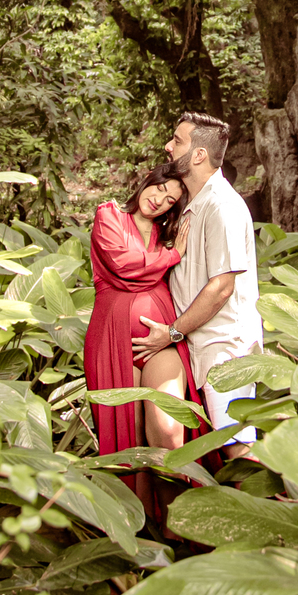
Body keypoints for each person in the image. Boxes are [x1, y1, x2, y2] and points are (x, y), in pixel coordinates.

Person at [83, 163, 209, 516]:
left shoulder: (164, 234)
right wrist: (171, 256)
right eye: (159, 189)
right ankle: (141, 529)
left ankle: (178, 524)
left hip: (160, 340)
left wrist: (169, 252)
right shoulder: (109, 216)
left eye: (170, 200)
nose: (159, 200)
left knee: (168, 432)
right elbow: (124, 266)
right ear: (146, 182)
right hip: (112, 341)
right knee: (130, 443)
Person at [137, 113, 263, 454]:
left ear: (199, 155)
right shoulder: (192, 201)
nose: (168, 146)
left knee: (236, 448)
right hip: (196, 343)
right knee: (217, 448)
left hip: (223, 347)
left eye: (177, 141)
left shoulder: (222, 205)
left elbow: (222, 287)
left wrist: (172, 332)